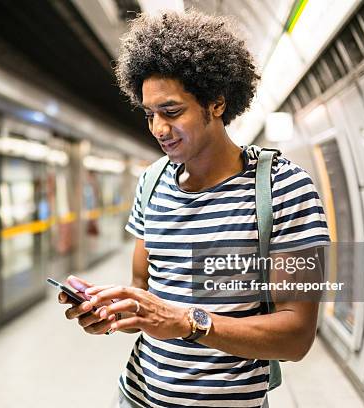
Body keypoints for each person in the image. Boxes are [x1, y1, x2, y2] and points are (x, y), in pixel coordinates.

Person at [59, 10, 330, 408]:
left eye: (171, 112)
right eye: (150, 114)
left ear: (216, 103)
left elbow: (296, 336)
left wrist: (188, 323)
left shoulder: (284, 189)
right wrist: (108, 312)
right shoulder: (151, 184)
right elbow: (143, 292)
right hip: (137, 398)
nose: (158, 130)